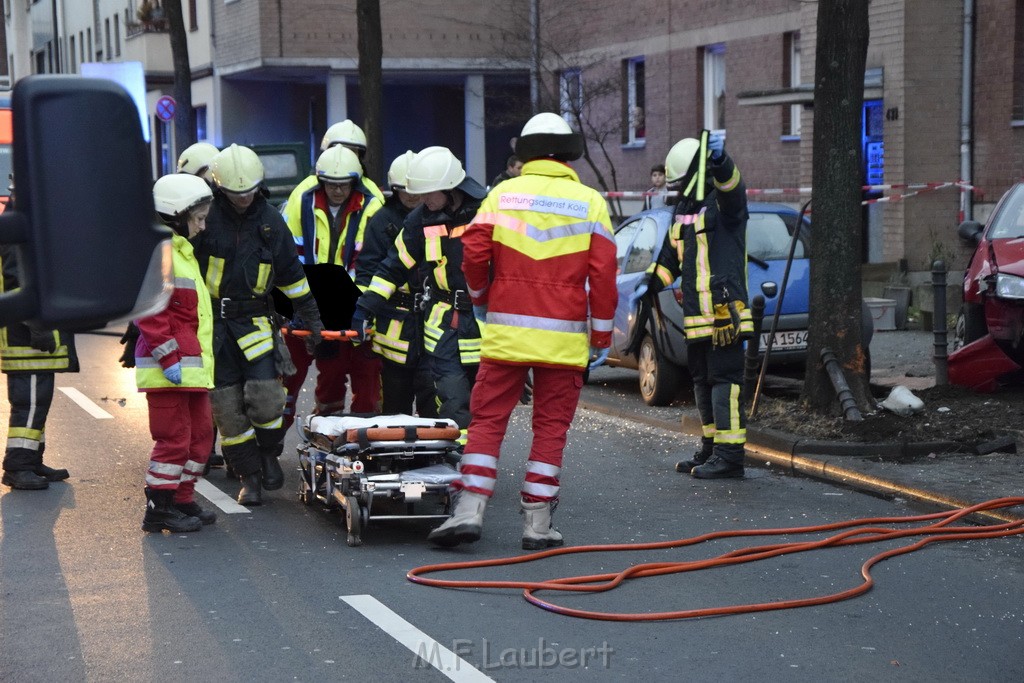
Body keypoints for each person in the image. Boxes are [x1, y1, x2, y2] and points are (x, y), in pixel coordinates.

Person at [426, 113, 617, 549]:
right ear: (568, 154)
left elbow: (472, 252)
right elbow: (604, 275)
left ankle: (470, 509)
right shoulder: (590, 202)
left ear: (525, 154)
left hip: (506, 334)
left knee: (488, 418)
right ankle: (537, 524)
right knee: (550, 427)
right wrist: (601, 338)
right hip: (563, 339)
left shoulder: (501, 195)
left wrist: (480, 298)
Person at [192, 143, 324, 506]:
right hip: (214, 328)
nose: (243, 199)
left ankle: (268, 453)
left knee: (267, 399)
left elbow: (292, 275)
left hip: (254, 323)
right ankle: (249, 477)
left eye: (249, 191)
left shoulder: (269, 220)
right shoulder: (205, 218)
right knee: (227, 409)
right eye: (236, 193)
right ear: (220, 189)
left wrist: (311, 318)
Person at [352, 146, 487, 446]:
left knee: (485, 401)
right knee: (452, 398)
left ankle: (475, 460)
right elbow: (392, 267)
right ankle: (458, 463)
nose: (423, 201)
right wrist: (364, 308)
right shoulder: (419, 220)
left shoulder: (487, 213)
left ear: (450, 188)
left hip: (483, 321)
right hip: (442, 323)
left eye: (429, 193)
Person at [645, 131, 752, 479]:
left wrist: (721, 161)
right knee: (703, 382)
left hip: (725, 315)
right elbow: (668, 260)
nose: (674, 190)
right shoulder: (683, 213)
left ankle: (730, 457)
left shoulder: (724, 206)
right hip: (696, 319)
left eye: (678, 182)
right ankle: (710, 450)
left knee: (725, 382)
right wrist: (648, 284)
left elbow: (732, 188)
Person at [281, 144, 384, 425]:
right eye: (331, 185)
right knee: (309, 371)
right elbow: (293, 255)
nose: (338, 191)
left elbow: (365, 263)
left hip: (353, 303)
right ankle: (313, 427)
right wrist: (301, 303)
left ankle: (361, 431)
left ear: (355, 182)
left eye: (344, 185)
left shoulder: (371, 206)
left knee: (364, 370)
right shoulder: (302, 201)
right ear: (321, 181)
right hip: (307, 300)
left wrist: (350, 305)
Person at [137, 174, 216, 532]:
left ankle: (182, 499)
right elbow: (151, 312)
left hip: (191, 369)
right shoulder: (161, 253)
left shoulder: (182, 252)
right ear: (175, 215)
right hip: (167, 369)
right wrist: (168, 358)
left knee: (200, 438)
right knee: (174, 440)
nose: (202, 226)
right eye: (198, 218)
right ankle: (159, 508)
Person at [0, 176, 78, 491]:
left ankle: (32, 459)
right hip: (26, 336)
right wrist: (38, 325)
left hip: (35, 333)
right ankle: (17, 467)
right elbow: (18, 280)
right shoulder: (16, 227)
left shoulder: (26, 224)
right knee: (29, 401)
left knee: (38, 400)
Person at [354, 150, 437, 417]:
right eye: (404, 190)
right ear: (394, 189)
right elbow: (367, 271)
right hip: (394, 322)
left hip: (431, 321)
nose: (412, 196)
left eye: (416, 190)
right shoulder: (381, 221)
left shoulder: (439, 216)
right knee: (394, 405)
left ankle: (429, 457)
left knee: (431, 396)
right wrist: (365, 313)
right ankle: (396, 458)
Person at [287, 120, 385, 206]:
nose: (343, 154)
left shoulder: (371, 192)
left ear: (360, 155)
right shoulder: (304, 191)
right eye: (339, 148)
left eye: (352, 150)